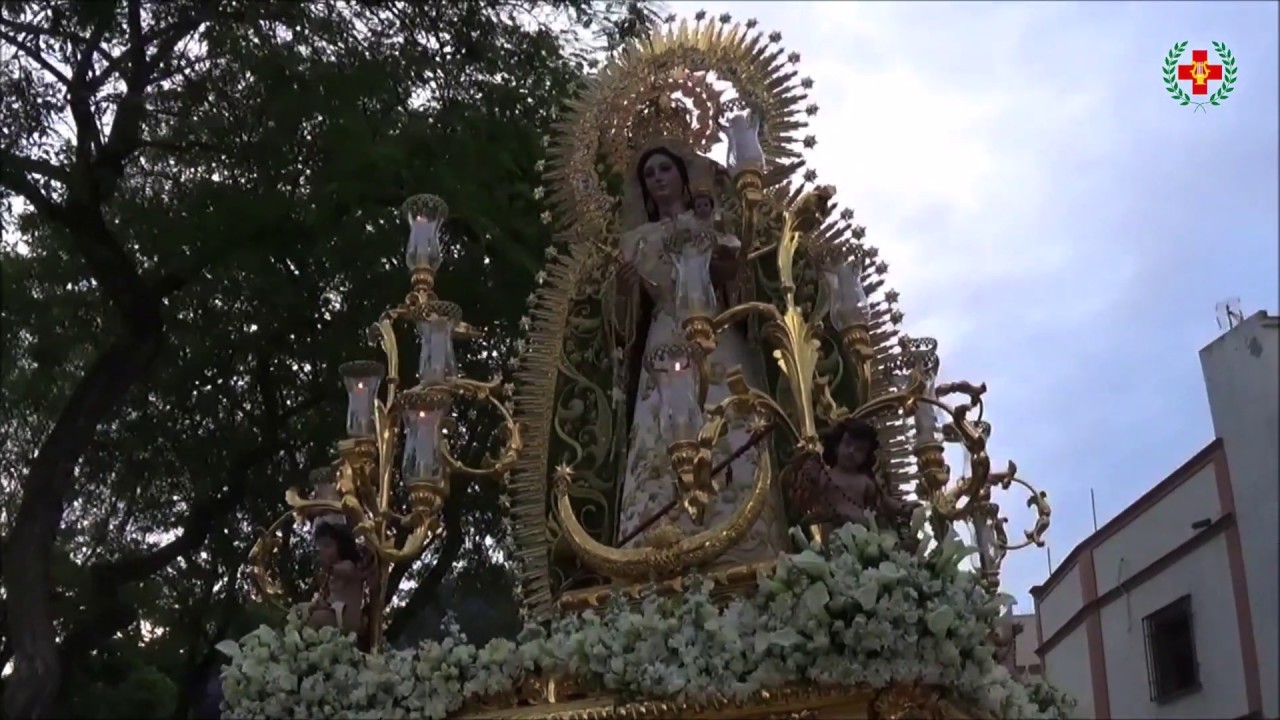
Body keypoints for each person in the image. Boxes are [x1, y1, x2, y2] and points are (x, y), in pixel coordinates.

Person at [611, 140, 789, 566]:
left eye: (665, 170)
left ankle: (746, 538)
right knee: (663, 432)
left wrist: (715, 237)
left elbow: (734, 272)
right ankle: (659, 541)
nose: (657, 179)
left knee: (732, 416)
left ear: (683, 177)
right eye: (649, 173)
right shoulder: (635, 241)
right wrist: (624, 287)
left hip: (717, 330)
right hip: (666, 337)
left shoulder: (713, 220)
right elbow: (624, 317)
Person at [788, 417, 917, 535]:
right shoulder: (825, 475)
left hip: (863, 531)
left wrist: (902, 508)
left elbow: (883, 501)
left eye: (859, 450)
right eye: (847, 444)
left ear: (866, 457)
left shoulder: (865, 482)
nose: (851, 452)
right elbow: (808, 492)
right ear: (836, 445)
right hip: (833, 529)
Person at [305, 522, 369, 637]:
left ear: (342, 546)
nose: (322, 551)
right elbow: (329, 597)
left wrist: (328, 568)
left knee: (317, 619)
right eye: (320, 547)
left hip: (346, 617)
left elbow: (346, 571)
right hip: (334, 613)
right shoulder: (330, 576)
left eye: (327, 546)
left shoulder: (348, 565)